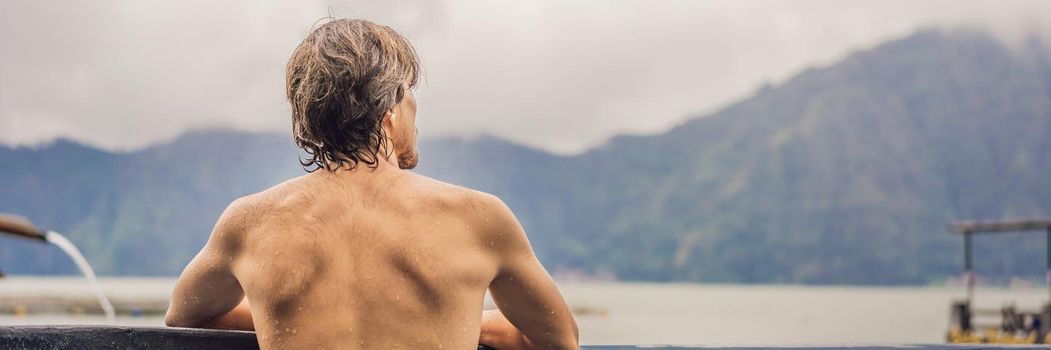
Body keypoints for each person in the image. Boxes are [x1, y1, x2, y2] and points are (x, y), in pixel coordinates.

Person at [164, 18, 579, 350]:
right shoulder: (478, 219)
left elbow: (185, 319)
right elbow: (558, 340)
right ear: (391, 111)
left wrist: (293, 313)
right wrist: (470, 322)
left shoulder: (251, 222)